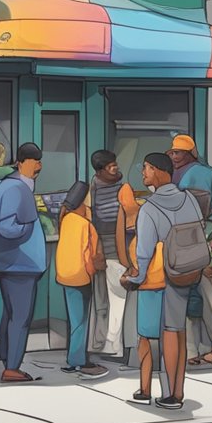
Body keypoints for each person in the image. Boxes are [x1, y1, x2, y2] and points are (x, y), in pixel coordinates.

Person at [124, 153, 202, 410]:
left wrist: (136, 276)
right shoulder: (189, 198)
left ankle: (169, 394)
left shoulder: (149, 209)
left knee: (167, 332)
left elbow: (144, 252)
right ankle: (178, 390)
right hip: (188, 270)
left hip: (165, 274)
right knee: (178, 331)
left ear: (159, 171)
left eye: (146, 168)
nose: (143, 174)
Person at [169, 134, 212, 366]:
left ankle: (202, 347)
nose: (175, 156)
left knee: (196, 297)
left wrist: (205, 232)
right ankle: (191, 349)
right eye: (173, 152)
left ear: (190, 153)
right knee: (180, 298)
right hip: (174, 245)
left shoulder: (207, 174)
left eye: (179, 152)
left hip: (196, 245)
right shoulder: (168, 175)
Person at [0, 143, 47, 384]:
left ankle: (7, 360)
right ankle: (12, 367)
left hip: (11, 262)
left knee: (10, 315)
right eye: (35, 161)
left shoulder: (9, 185)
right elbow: (5, 226)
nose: (39, 166)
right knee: (20, 317)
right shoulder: (17, 188)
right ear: (21, 162)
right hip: (20, 262)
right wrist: (29, 226)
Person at [87, 150, 137, 361]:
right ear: (100, 170)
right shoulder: (120, 188)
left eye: (115, 164)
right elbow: (133, 214)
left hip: (108, 250)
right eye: (110, 166)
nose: (115, 168)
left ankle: (108, 345)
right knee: (114, 299)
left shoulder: (94, 187)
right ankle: (109, 346)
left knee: (109, 299)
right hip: (112, 250)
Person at [57, 181, 109, 380]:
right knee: (81, 322)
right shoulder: (86, 225)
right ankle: (78, 361)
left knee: (73, 319)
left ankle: (73, 359)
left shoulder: (65, 219)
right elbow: (93, 256)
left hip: (64, 275)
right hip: (81, 277)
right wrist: (95, 272)